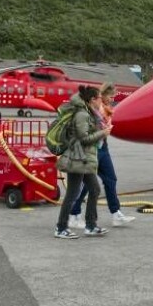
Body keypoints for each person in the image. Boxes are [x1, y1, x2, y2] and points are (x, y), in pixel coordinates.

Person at [68, 82, 136, 229]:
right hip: (93, 149)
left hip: (103, 148)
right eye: (110, 96)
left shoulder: (106, 110)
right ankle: (74, 215)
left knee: (111, 179)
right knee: (87, 185)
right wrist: (104, 127)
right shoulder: (93, 110)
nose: (112, 99)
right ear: (101, 96)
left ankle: (116, 213)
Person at [55, 85, 111, 239]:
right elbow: (83, 138)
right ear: (92, 99)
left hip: (84, 159)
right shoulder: (82, 114)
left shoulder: (88, 112)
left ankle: (91, 225)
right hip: (78, 158)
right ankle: (61, 228)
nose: (102, 100)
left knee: (94, 189)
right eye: (100, 97)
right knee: (73, 194)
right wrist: (103, 133)